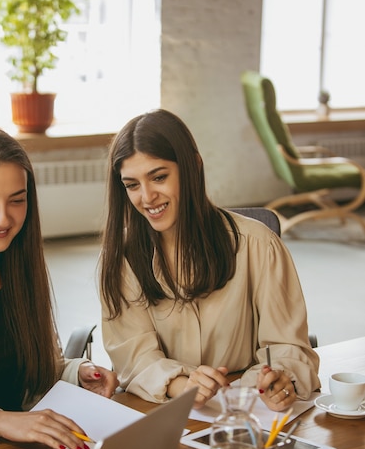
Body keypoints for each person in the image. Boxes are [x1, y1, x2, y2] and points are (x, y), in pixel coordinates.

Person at [99, 108, 320, 411]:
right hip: (163, 414)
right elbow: (133, 357)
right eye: (132, 185)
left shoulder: (259, 245)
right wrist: (181, 385)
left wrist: (279, 379)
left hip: (247, 411)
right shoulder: (120, 260)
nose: (147, 197)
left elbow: (287, 347)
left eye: (159, 177)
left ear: (193, 166)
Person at [0, 125, 119, 449]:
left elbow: (19, 373)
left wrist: (74, 374)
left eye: (17, 201)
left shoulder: (19, 273)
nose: (3, 218)